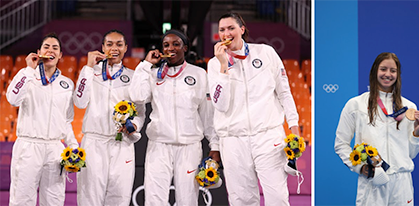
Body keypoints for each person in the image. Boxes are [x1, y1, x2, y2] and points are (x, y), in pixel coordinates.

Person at [207, 13, 300, 206]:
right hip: (233, 141)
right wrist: (224, 66)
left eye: (231, 28)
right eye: (222, 30)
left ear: (242, 29)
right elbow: (220, 105)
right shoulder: (215, 64)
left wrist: (294, 128)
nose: (226, 33)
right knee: (242, 200)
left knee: (277, 197)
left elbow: (284, 93)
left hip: (268, 136)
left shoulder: (266, 53)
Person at [128, 29, 219, 206]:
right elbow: (137, 96)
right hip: (159, 146)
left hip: (190, 147)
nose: (171, 48)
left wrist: (215, 144)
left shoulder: (199, 75)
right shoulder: (153, 74)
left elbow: (208, 115)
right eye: (166, 45)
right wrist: (146, 65)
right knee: (154, 199)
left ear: (185, 48)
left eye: (176, 44)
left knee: (187, 200)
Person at [334, 52, 419, 206]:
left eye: (393, 71)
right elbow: (340, 143)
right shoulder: (356, 105)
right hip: (373, 182)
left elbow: (411, 153)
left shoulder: (409, 107)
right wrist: (359, 167)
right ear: (375, 71)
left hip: (402, 184)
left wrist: (416, 133)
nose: (388, 74)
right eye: (383, 69)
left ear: (398, 75)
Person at [74, 29, 145, 206]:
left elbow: (140, 110)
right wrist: (88, 67)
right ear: (102, 47)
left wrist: (134, 125)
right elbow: (80, 101)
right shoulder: (91, 72)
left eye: (119, 44)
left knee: (119, 196)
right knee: (89, 196)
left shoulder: (132, 76)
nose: (114, 48)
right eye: (110, 44)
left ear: (126, 48)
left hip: (122, 143)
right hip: (94, 142)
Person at [6, 33, 79, 206]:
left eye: (55, 48)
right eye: (46, 47)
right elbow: (12, 99)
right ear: (39, 51)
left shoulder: (67, 84)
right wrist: (29, 70)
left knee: (54, 200)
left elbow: (66, 120)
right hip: (28, 146)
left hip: (55, 149)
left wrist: (73, 145)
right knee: (22, 200)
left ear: (60, 55)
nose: (50, 50)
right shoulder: (28, 76)